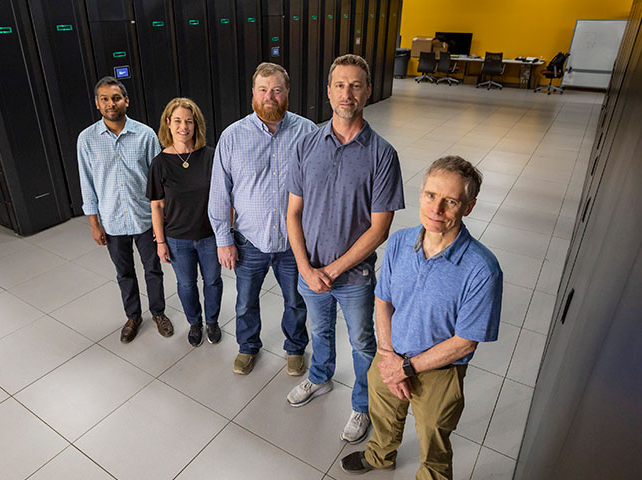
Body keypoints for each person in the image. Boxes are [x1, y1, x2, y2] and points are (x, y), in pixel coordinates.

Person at [340, 156, 503, 479]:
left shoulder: (482, 269)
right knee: (383, 415)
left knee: (434, 439)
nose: (436, 209)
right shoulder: (400, 242)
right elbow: (383, 300)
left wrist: (406, 368)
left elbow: (463, 342)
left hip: (440, 373)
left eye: (450, 201)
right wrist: (387, 356)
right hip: (390, 354)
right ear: (420, 193)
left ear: (468, 207)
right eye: (431, 195)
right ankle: (380, 455)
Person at [286, 54, 404, 444]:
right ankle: (319, 378)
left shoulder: (382, 154)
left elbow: (380, 227)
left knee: (362, 341)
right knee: (319, 330)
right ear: (328, 91)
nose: (347, 93)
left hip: (353, 277)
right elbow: (293, 213)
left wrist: (331, 271)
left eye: (355, 85)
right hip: (310, 271)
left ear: (368, 91)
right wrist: (305, 267)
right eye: (339, 85)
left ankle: (363, 404)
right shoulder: (306, 145)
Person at [209, 62, 317, 375]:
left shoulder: (307, 132)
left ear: (287, 93)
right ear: (253, 94)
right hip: (249, 241)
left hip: (293, 243)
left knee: (295, 302)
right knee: (245, 303)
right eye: (263, 90)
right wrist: (223, 240)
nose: (270, 96)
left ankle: (295, 348)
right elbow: (220, 193)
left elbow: (321, 187)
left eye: (276, 90)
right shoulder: (232, 136)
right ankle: (247, 346)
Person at [77, 76, 173, 343]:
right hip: (112, 220)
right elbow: (87, 183)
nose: (111, 104)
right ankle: (133, 316)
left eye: (116, 98)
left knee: (153, 269)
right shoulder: (87, 139)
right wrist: (94, 223)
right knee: (124, 273)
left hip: (145, 218)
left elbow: (158, 181)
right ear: (97, 104)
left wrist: (162, 219)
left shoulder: (145, 135)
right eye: (105, 99)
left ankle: (158, 313)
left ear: (126, 101)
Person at [147, 98, 222, 347]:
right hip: (177, 238)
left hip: (210, 235)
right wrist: (160, 242)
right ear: (168, 123)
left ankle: (212, 321)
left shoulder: (210, 156)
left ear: (196, 124)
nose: (183, 126)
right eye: (177, 120)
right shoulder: (159, 164)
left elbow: (224, 195)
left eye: (189, 121)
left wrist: (227, 233)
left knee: (212, 281)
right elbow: (156, 205)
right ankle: (195, 323)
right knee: (187, 284)